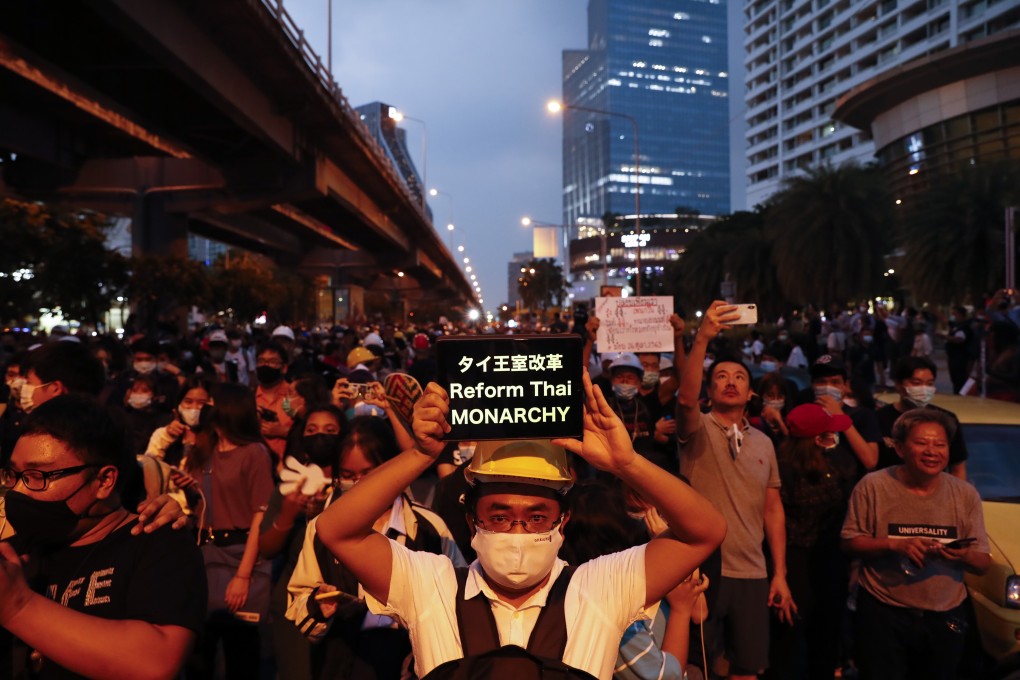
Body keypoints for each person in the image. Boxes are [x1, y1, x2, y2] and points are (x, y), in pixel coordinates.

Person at [311, 372, 726, 678]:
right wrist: (420, 454)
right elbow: (335, 530)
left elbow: (705, 530)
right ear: (472, 520)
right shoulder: (429, 583)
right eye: (499, 516)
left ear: (563, 521)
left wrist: (627, 464)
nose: (517, 531)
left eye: (536, 517)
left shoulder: (601, 587)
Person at [0, 394, 206, 679]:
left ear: (104, 480)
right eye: (14, 475)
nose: (20, 491)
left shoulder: (158, 541)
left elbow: (156, 660)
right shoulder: (19, 551)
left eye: (38, 476)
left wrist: (18, 606)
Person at [286, 416, 465, 679]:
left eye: (368, 474)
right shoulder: (321, 529)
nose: (358, 484)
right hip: (345, 661)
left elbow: (458, 598)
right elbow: (298, 599)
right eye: (347, 476)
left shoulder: (429, 528)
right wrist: (317, 605)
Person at [676, 300, 794, 680]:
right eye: (721, 376)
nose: (730, 381)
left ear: (750, 395)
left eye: (739, 377)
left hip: (752, 572)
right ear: (709, 392)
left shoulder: (763, 442)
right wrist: (702, 340)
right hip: (701, 570)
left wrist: (779, 573)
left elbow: (772, 509)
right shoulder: (696, 430)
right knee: (699, 668)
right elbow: (684, 398)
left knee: (747, 668)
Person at [841, 409, 990, 680]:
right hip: (883, 611)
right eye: (921, 443)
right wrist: (895, 545)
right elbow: (850, 543)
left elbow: (982, 562)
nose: (932, 451)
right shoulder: (872, 486)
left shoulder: (964, 494)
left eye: (940, 444)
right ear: (899, 448)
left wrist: (962, 554)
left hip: (945, 615)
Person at [183, 383, 275, 680]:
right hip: (203, 553)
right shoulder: (204, 449)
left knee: (241, 649)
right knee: (200, 648)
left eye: (210, 402)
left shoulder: (254, 453)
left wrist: (244, 575)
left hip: (236, 553)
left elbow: (259, 516)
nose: (203, 408)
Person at [765, 404, 858, 680]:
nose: (835, 439)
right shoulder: (785, 472)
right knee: (789, 632)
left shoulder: (832, 462)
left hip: (829, 560)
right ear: (816, 439)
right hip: (794, 559)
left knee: (826, 633)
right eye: (830, 434)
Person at [874, 356, 968, 479]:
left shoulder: (946, 419)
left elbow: (958, 467)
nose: (924, 389)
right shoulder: (878, 418)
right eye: (916, 383)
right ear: (898, 384)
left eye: (929, 383)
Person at [796, 354, 880, 474]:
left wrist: (840, 417)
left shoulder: (863, 415)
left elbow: (870, 461)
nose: (828, 387)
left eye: (835, 382)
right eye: (821, 382)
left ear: (845, 386)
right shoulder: (803, 415)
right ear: (813, 385)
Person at [255, 342, 293, 464]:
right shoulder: (248, 398)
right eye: (261, 361)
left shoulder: (296, 396)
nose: (265, 366)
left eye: (272, 362)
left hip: (290, 469)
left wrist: (283, 432)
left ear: (284, 368)